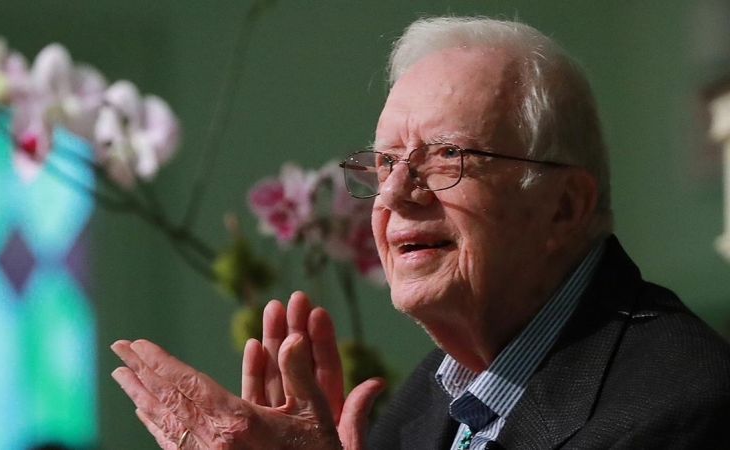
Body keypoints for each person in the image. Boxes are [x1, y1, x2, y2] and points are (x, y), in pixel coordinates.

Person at [110, 16, 730, 450]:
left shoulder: (681, 409)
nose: (395, 194)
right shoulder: (422, 408)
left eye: (448, 156)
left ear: (564, 207)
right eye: (384, 163)